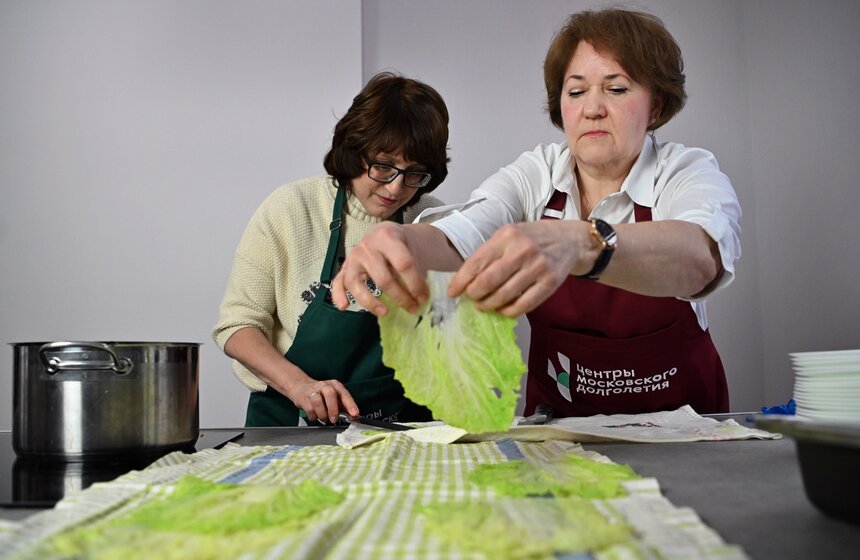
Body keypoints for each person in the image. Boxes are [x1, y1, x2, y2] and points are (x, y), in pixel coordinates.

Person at [331, 9, 741, 418]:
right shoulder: (537, 174)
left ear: (656, 106)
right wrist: (401, 243)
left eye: (616, 89)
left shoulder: (685, 171)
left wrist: (584, 243)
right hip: (562, 438)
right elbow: (466, 233)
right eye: (576, 92)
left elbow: (702, 257)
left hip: (685, 432)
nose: (592, 108)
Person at [213, 72, 449, 426]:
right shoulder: (291, 208)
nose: (397, 187)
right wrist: (300, 386)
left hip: (402, 426)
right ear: (355, 151)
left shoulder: (432, 222)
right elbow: (237, 327)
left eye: (415, 173)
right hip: (290, 422)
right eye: (384, 166)